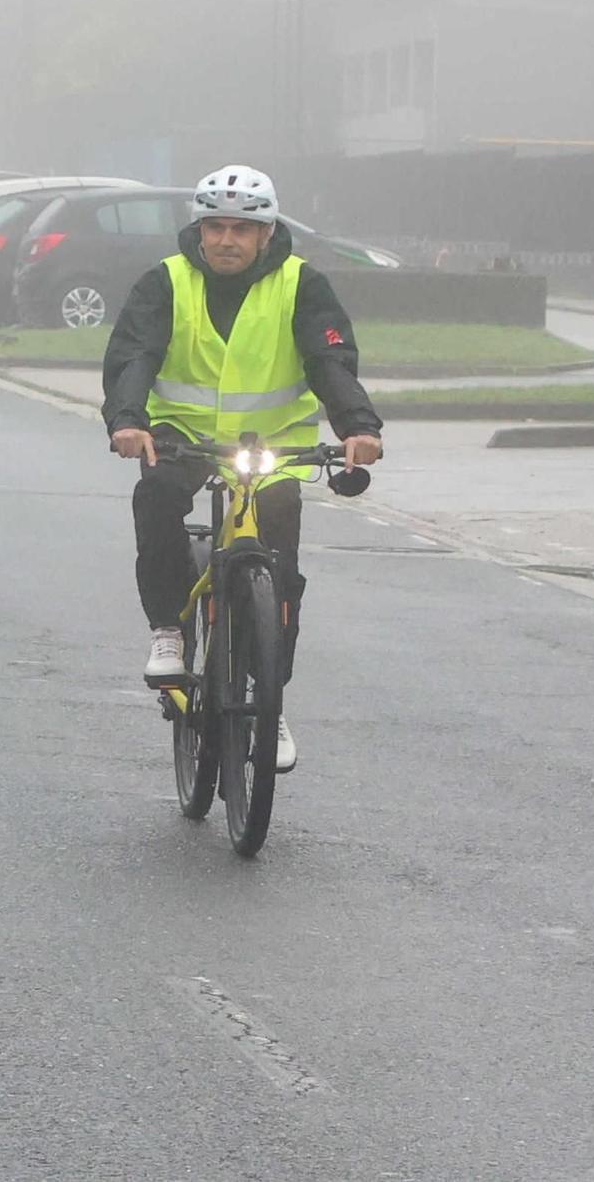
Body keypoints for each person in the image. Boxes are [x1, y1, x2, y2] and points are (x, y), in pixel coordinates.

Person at [101, 165, 383, 773]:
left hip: (274, 443)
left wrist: (358, 426)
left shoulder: (302, 284)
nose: (227, 240)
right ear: (200, 230)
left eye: (242, 229)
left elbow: (329, 359)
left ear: (266, 233)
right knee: (155, 498)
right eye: (216, 227)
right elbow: (134, 354)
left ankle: (269, 703)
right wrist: (128, 420)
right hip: (181, 433)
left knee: (280, 566)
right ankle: (169, 633)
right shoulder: (166, 282)